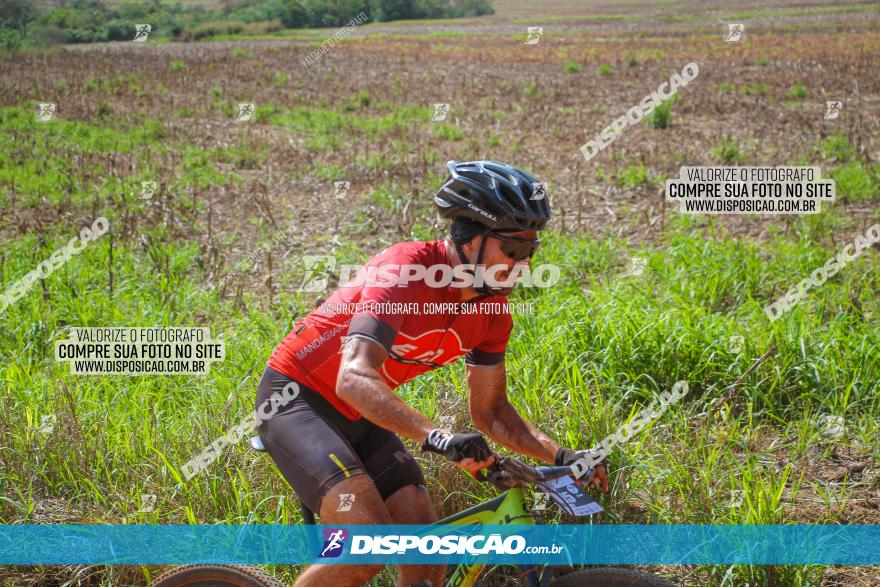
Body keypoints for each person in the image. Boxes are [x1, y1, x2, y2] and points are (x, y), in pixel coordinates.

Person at [255, 160, 608, 587]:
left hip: (362, 416)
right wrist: (437, 436)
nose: (523, 264)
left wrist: (562, 456)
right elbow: (353, 377)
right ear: (470, 239)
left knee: (426, 556)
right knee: (369, 545)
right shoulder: (405, 270)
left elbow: (492, 413)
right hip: (297, 402)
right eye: (513, 250)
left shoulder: (492, 313)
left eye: (531, 251)